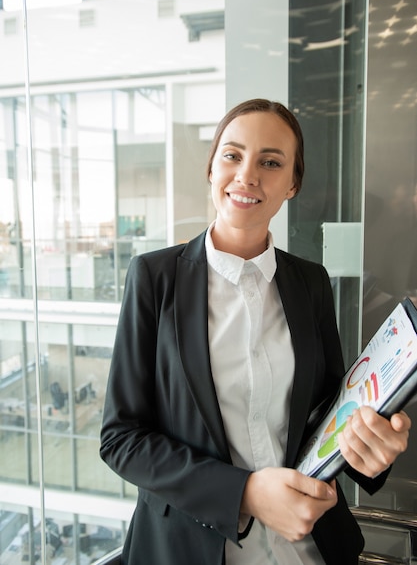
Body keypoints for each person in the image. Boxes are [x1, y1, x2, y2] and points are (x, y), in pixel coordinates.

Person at [100, 98, 411, 565]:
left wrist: (368, 444)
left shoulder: (310, 282)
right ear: (211, 169)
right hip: (190, 548)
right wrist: (244, 492)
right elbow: (121, 437)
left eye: (270, 162)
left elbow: (329, 408)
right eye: (232, 155)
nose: (247, 174)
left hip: (311, 546)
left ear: (292, 184)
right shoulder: (153, 278)